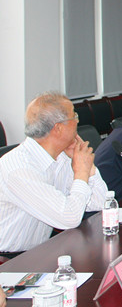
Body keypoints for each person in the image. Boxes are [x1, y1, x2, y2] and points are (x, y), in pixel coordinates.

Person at [0, 92, 108, 255]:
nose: (78, 121)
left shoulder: (62, 156)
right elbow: (69, 218)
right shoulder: (19, 169)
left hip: (39, 251)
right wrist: (81, 172)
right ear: (58, 128)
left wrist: (89, 168)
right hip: (9, 261)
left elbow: (100, 202)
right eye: (74, 116)